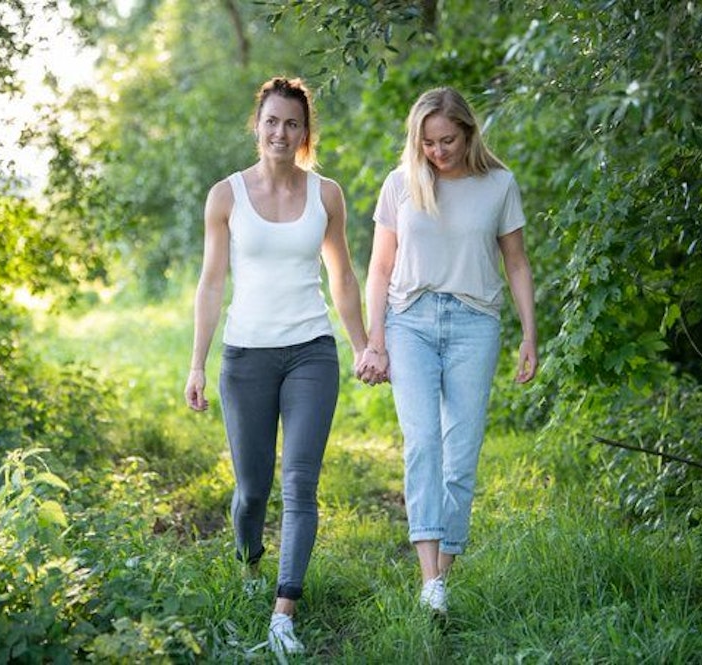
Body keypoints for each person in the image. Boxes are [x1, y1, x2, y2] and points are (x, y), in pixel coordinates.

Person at [184, 76, 369, 655]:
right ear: (257, 125)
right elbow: (212, 283)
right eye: (272, 121)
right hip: (245, 357)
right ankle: (249, 562)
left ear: (304, 132)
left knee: (300, 483)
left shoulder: (327, 195)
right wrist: (197, 365)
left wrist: (363, 344)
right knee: (252, 490)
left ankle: (284, 609)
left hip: (312, 349)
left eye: (292, 123)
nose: (281, 132)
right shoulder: (226, 196)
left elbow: (341, 275)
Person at [357, 86, 538, 614]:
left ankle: (442, 576)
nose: (439, 152)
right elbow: (380, 269)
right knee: (422, 445)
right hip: (409, 320)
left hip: (475, 323)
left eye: (448, 140)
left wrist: (529, 335)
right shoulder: (400, 185)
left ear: (468, 132)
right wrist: (376, 338)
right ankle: (428, 578)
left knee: (460, 454)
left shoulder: (498, 185)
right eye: (429, 143)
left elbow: (518, 264)